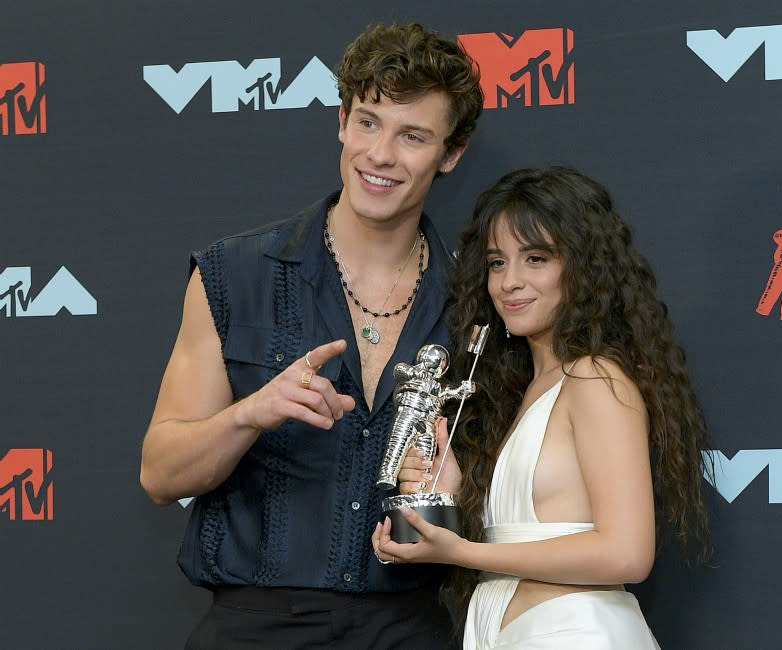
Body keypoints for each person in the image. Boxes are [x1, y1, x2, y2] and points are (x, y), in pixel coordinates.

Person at [139, 23, 483, 649]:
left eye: (412, 136)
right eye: (369, 122)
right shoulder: (233, 274)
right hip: (257, 629)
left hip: (410, 625)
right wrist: (250, 414)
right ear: (342, 122)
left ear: (450, 153)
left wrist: (457, 495)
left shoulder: (478, 304)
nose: (380, 154)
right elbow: (160, 474)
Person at [372, 166, 713, 648]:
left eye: (535, 258)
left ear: (583, 267)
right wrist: (448, 494)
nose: (509, 281)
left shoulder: (594, 378)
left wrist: (465, 551)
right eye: (496, 263)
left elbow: (626, 554)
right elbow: (530, 529)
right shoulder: (528, 388)